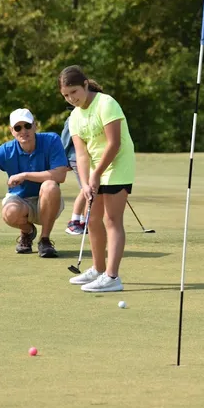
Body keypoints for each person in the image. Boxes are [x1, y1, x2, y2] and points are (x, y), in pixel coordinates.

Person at [58, 65, 135, 293]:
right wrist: (85, 182)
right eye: (66, 95)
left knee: (112, 220)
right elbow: (81, 154)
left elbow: (114, 143)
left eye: (74, 92)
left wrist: (97, 174)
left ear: (84, 84)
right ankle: (98, 269)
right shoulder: (74, 117)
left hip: (118, 166)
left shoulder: (106, 103)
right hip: (94, 171)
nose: (71, 98)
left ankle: (112, 276)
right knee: (92, 220)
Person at [0, 108, 68, 258]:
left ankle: (45, 240)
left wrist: (25, 175)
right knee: (10, 212)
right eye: (18, 127)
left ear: (35, 126)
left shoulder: (51, 140)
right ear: (12, 131)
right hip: (21, 201)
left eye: (27, 126)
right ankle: (27, 232)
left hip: (48, 201)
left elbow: (60, 175)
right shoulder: (6, 150)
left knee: (50, 185)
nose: (23, 131)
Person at [61, 114, 87, 236]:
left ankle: (83, 221)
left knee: (89, 190)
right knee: (86, 188)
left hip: (90, 158)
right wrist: (63, 161)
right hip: (76, 158)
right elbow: (65, 141)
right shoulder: (72, 118)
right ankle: (73, 222)